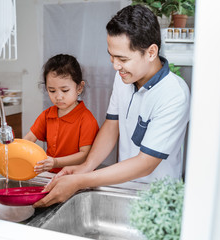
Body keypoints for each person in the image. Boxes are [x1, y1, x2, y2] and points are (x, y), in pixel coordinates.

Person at [33, 4, 190, 208]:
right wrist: (86, 166)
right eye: (112, 55)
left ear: (151, 52)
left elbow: (146, 163)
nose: (115, 66)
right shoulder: (123, 78)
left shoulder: (174, 94)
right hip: (122, 186)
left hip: (157, 195)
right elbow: (111, 125)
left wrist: (79, 181)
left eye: (122, 59)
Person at [24, 54, 99, 174]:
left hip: (77, 176)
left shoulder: (87, 120)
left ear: (79, 88)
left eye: (65, 90)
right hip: (52, 175)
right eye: (52, 91)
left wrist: (55, 162)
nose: (58, 96)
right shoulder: (47, 115)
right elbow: (28, 140)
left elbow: (85, 155)